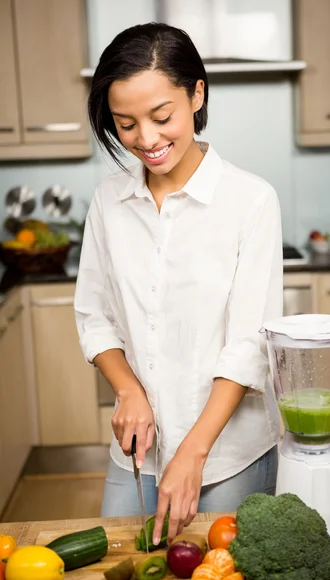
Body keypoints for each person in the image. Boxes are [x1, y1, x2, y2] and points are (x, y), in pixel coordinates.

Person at [74, 22, 283, 547]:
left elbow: (247, 348)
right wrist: (128, 390)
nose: (146, 139)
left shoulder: (251, 201)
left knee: (218, 577)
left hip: (229, 453)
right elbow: (94, 316)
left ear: (197, 94)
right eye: (125, 124)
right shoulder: (107, 202)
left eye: (161, 117)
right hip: (138, 452)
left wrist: (192, 453)